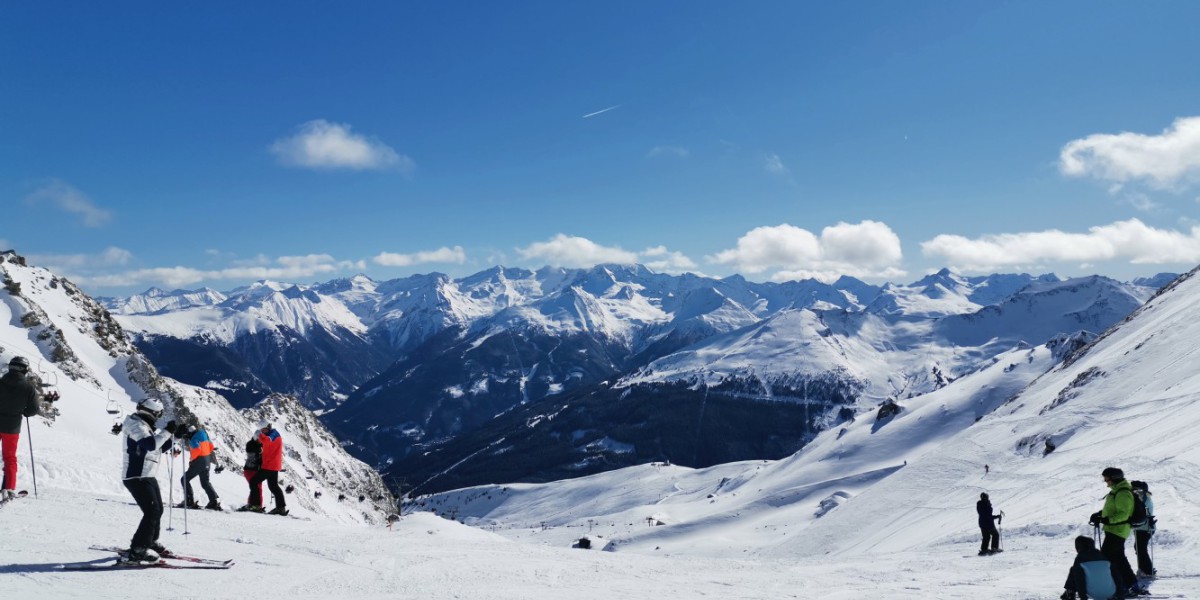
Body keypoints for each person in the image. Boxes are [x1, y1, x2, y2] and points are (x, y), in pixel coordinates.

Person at [121, 398, 177, 562]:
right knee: (151, 511)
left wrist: (176, 436)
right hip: (136, 476)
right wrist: (167, 432)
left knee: (157, 509)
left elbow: (157, 448)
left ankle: (150, 541)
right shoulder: (135, 425)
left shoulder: (143, 426)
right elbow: (150, 445)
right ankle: (138, 549)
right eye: (158, 414)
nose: (158, 417)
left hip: (147, 474)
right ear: (152, 413)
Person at [1090, 467, 1147, 597]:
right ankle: (1129, 585)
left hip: (1118, 530)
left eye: (1107, 479)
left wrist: (1107, 520)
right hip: (1114, 530)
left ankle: (1128, 586)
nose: (1105, 482)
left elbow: (1123, 514)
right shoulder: (1117, 491)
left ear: (1114, 478)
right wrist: (1099, 515)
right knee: (1116, 559)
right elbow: (1113, 510)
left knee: (1112, 559)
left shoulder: (1123, 493)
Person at [0, 356, 41, 502]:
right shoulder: (28, 387)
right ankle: (8, 489)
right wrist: (23, 411)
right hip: (11, 427)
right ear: (24, 370)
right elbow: (33, 410)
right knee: (9, 458)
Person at [246, 419, 287, 515]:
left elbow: (267, 441)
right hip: (272, 465)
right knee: (274, 487)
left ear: (266, 428)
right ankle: (281, 508)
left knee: (254, 482)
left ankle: (256, 506)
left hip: (269, 465)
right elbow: (261, 442)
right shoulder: (270, 434)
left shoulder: (274, 434)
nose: (261, 432)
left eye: (262, 430)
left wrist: (259, 435)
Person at [177, 423, 220, 510]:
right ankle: (213, 501)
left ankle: (189, 501)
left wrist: (192, 460)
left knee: (184, 479)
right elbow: (211, 447)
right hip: (207, 460)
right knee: (205, 482)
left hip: (199, 461)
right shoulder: (203, 435)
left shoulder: (194, 438)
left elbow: (197, 449)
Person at [1061, 535, 1118, 600]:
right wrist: (1120, 595)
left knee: (1074, 569)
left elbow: (1079, 579)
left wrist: (1083, 597)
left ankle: (1070, 593)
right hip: (1110, 593)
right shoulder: (1104, 558)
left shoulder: (1080, 559)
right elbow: (1116, 576)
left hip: (1093, 593)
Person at [1130, 481, 1156, 579]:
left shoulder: (1142, 498)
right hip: (1144, 527)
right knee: (1139, 548)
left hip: (1144, 528)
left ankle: (1147, 570)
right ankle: (1145, 569)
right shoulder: (1145, 497)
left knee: (1140, 548)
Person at [241, 437, 263, 510]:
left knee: (257, 488)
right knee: (256, 488)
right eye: (259, 439)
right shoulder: (251, 445)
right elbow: (250, 450)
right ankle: (255, 505)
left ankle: (255, 505)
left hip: (255, 470)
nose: (260, 441)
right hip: (250, 470)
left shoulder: (260, 446)